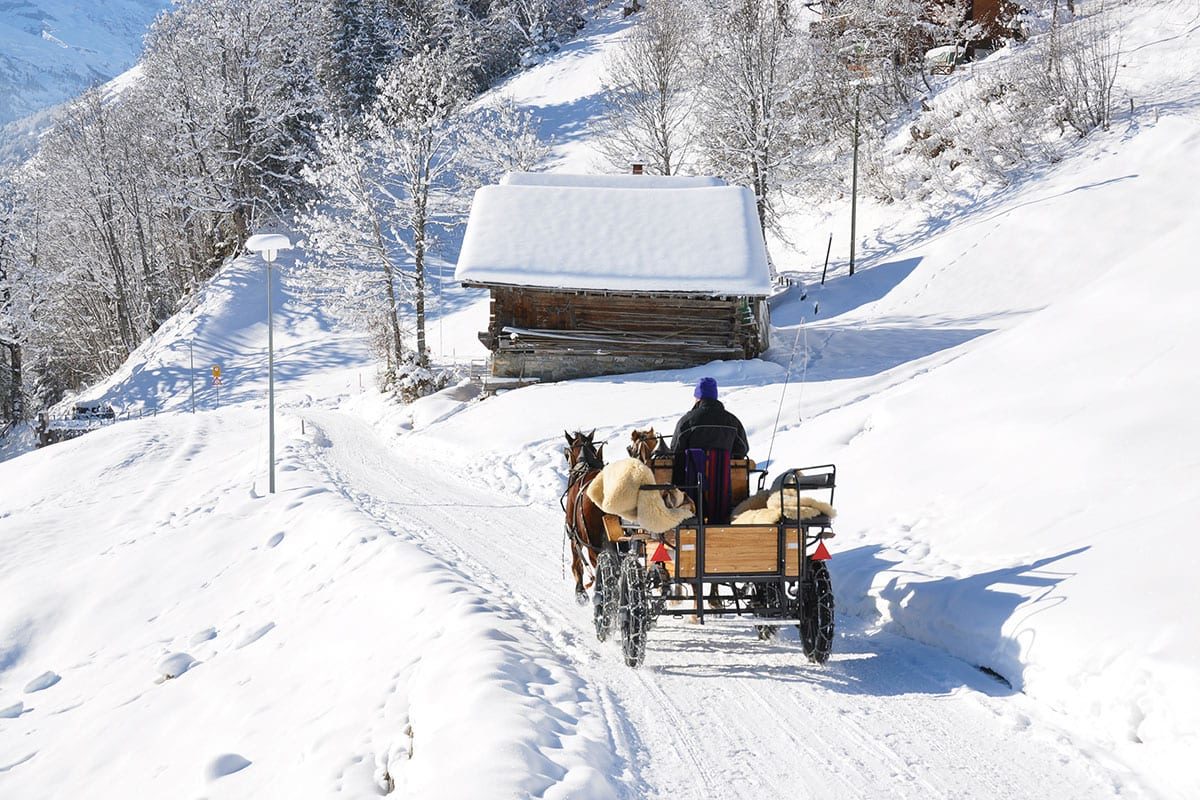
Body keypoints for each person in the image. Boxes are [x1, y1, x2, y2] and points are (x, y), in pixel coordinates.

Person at [670, 377, 749, 523]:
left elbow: (675, 451)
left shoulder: (687, 421)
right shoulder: (732, 421)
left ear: (698, 398)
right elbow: (742, 449)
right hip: (724, 491)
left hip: (690, 491)